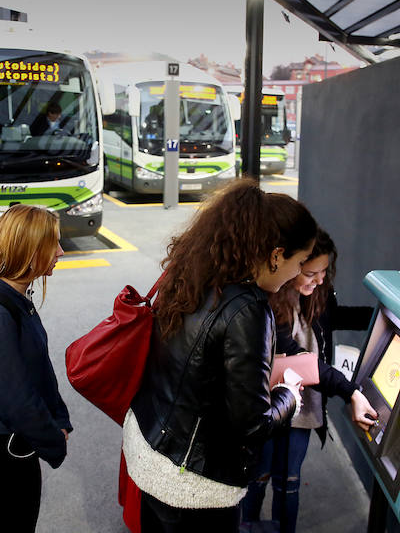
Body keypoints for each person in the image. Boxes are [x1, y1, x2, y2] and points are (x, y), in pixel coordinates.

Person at [124, 179, 318, 532]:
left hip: (151, 445)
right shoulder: (250, 311)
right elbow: (252, 423)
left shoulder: (195, 273)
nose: (297, 274)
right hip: (193, 481)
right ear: (276, 255)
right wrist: (288, 395)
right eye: (301, 262)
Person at [240, 229, 378, 533]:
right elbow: (301, 361)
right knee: (257, 477)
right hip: (269, 405)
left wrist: (382, 316)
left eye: (325, 272)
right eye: (311, 272)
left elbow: (335, 317)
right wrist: (349, 390)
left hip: (304, 411)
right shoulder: (269, 304)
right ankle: (248, 526)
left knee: (289, 482)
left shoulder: (319, 293)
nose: (319, 280)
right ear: (291, 267)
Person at [0, 204, 72, 533]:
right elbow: (16, 398)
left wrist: (58, 419)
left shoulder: (12, 296)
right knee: (13, 521)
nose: (61, 253)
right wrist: (53, 437)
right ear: (30, 250)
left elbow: (36, 373)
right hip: (5, 448)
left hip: (10, 440)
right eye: (55, 245)